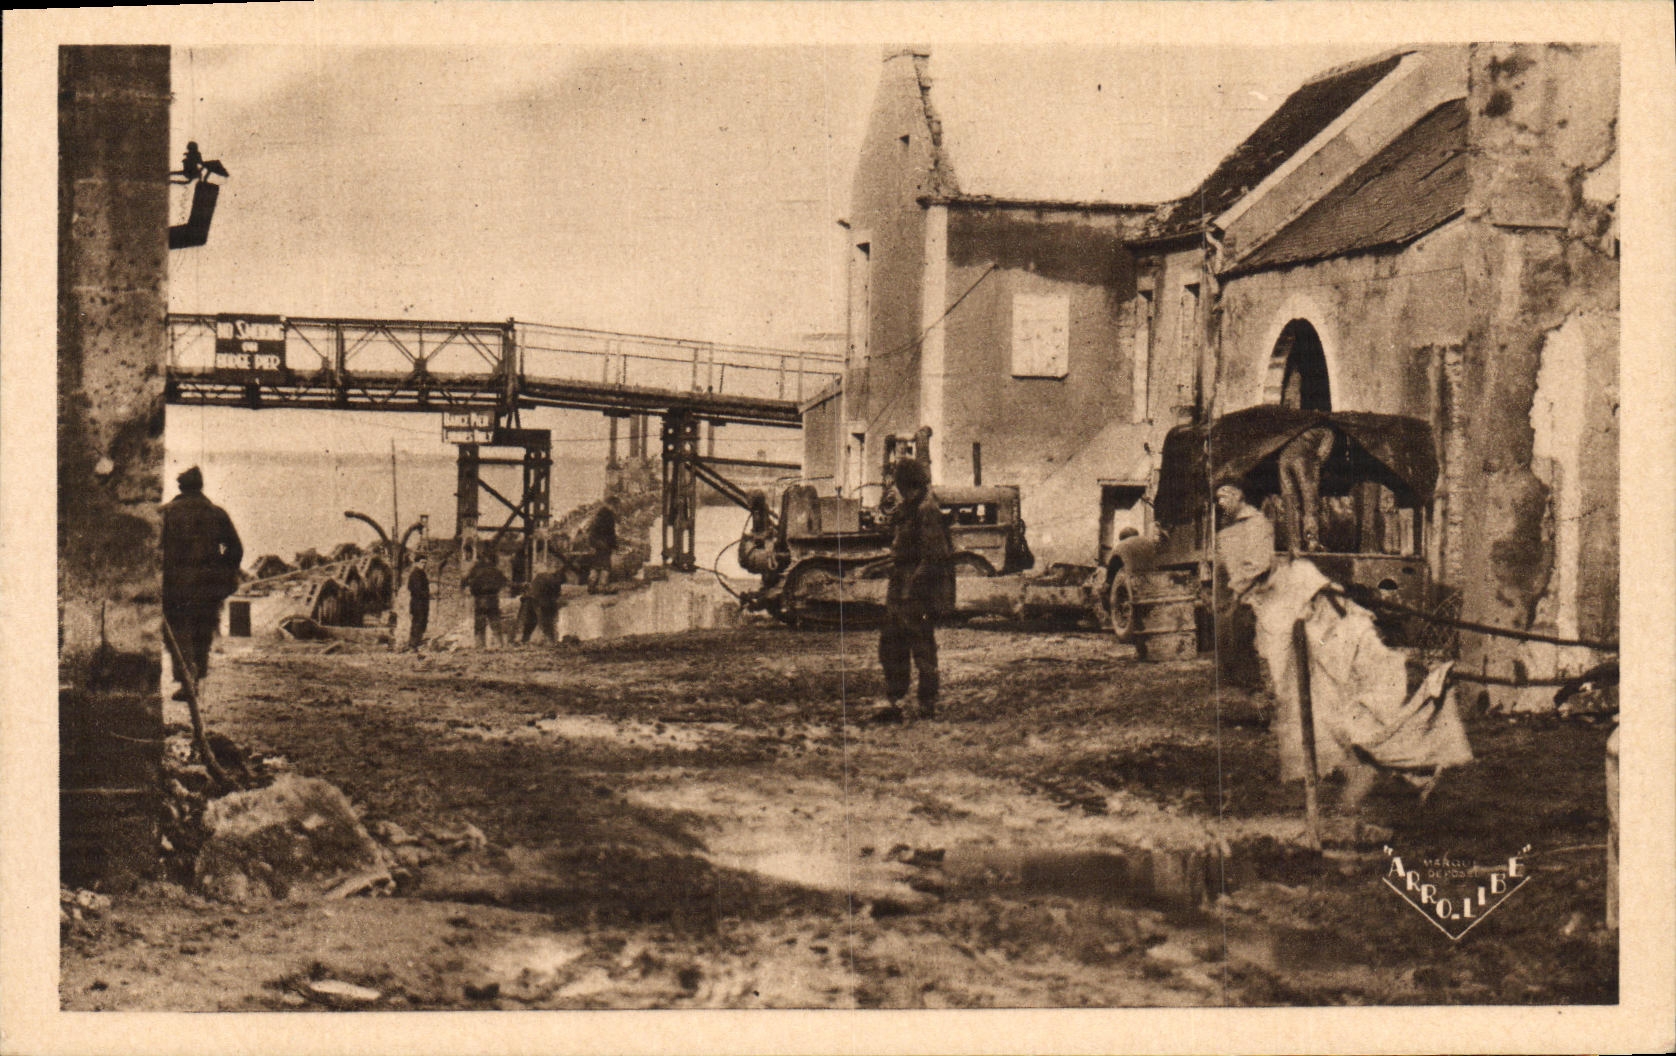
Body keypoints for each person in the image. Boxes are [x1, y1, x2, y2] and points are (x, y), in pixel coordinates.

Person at [868, 458, 955, 723]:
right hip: (900, 586)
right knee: (891, 646)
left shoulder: (927, 510)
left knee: (922, 647)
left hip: (917, 591)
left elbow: (935, 556)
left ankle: (927, 704)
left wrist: (914, 588)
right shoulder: (909, 507)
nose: (899, 490)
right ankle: (895, 702)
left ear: (909, 484)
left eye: (901, 485)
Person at [161, 466, 243, 700]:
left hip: (176, 586)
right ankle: (195, 680)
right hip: (209, 586)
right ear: (200, 486)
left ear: (180, 487)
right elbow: (235, 549)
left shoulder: (167, 513)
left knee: (178, 632)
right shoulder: (217, 513)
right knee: (202, 632)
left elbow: (155, 549)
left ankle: (187, 679)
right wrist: (223, 575)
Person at [1212, 479, 1274, 692]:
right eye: (1218, 498)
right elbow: (1220, 565)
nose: (1220, 502)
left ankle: (1256, 688)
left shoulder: (1257, 523)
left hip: (1252, 593)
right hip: (1232, 594)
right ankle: (1235, 684)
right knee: (1228, 640)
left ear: (1239, 495)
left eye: (1225, 496)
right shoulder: (1225, 529)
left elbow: (1258, 563)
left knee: (1247, 642)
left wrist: (1237, 590)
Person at [1277, 425, 1336, 552]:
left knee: (1290, 502)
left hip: (1284, 458)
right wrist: (1316, 476)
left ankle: (1293, 544)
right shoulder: (1328, 431)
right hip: (1303, 459)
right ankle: (1312, 541)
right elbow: (1321, 455)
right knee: (1310, 503)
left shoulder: (1300, 427)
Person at [462, 552, 509, 649]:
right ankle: (499, 644)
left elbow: (464, 580)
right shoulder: (495, 571)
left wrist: (466, 588)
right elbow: (506, 582)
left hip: (480, 599)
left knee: (479, 623)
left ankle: (480, 645)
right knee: (495, 622)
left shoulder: (475, 569)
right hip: (493, 599)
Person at [518, 559, 565, 645]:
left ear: (542, 567)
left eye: (536, 567)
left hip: (537, 603)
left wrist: (526, 595)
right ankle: (550, 641)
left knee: (536, 623)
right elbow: (558, 593)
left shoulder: (540, 577)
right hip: (546, 603)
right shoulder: (553, 578)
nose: (534, 569)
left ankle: (527, 640)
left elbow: (534, 591)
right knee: (543, 623)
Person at [583, 500, 617, 594]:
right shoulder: (609, 516)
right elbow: (610, 533)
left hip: (595, 542)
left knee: (596, 564)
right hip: (603, 543)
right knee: (606, 565)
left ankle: (591, 585)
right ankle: (603, 586)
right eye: (615, 506)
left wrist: (593, 543)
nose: (615, 509)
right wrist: (613, 545)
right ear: (611, 505)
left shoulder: (598, 515)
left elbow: (591, 531)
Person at [404, 553, 431, 651]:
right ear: (416, 563)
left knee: (422, 622)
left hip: (422, 602)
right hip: (417, 602)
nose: (424, 565)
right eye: (422, 562)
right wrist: (427, 594)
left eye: (425, 563)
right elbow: (416, 589)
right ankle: (413, 645)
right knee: (417, 622)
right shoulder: (415, 574)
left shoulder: (422, 573)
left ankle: (417, 643)